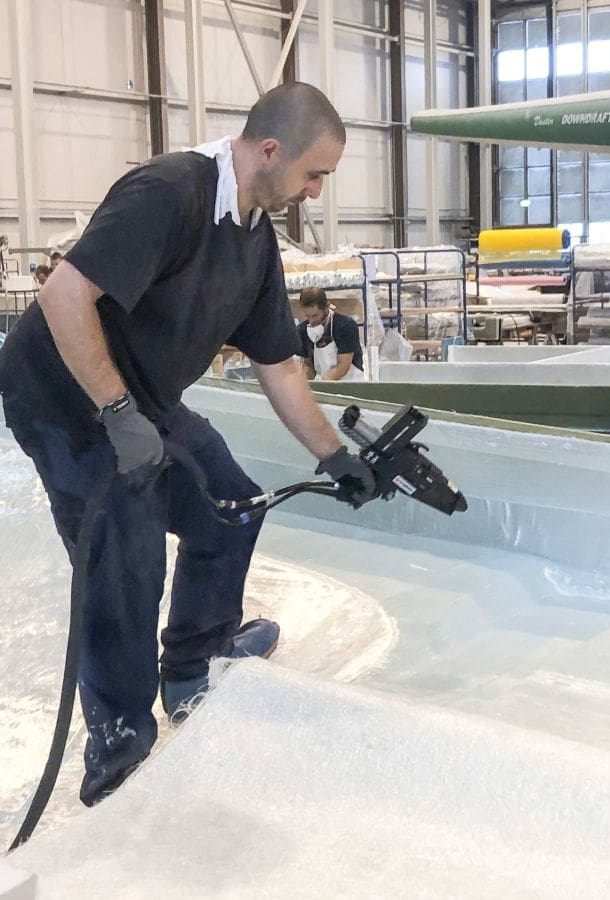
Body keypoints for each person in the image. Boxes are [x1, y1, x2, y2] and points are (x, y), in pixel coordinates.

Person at [0, 82, 376, 807]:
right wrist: (117, 413)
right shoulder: (169, 192)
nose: (316, 191)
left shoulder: (256, 241)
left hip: (141, 396)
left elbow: (278, 365)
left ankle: (195, 662)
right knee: (126, 549)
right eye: (314, 174)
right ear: (272, 150)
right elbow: (62, 296)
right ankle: (119, 740)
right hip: (61, 398)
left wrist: (334, 456)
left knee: (232, 504)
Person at [297, 287, 365, 381]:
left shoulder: (346, 326)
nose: (311, 321)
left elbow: (343, 366)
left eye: (315, 315)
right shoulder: (303, 330)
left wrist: (325, 384)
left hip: (350, 382)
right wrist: (304, 382)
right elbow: (308, 364)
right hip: (324, 381)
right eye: (307, 316)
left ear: (326, 308)